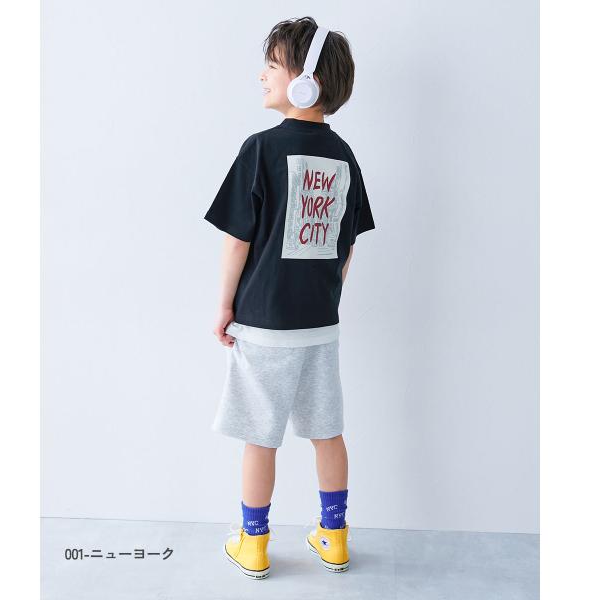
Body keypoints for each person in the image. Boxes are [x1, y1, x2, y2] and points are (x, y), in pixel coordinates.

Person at [203, 16, 375, 579]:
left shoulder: (260, 149)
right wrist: (325, 297)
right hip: (320, 325)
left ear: (305, 81)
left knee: (261, 437)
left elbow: (237, 241)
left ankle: (253, 543)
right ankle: (335, 537)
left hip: (264, 324)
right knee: (328, 430)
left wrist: (225, 306)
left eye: (273, 65)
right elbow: (347, 247)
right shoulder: (345, 157)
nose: (263, 75)